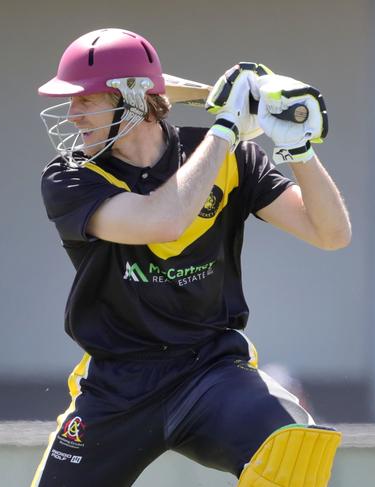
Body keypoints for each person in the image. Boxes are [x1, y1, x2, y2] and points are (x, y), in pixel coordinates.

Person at [33, 28, 351, 487]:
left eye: (86, 100)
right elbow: (164, 222)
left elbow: (331, 234)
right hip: (118, 386)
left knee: (295, 454)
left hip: (210, 371)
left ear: (135, 99)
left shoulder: (233, 157)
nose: (72, 113)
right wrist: (225, 128)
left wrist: (299, 149)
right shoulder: (70, 177)